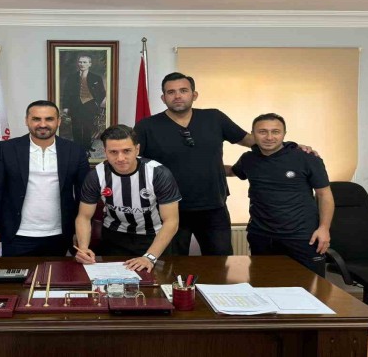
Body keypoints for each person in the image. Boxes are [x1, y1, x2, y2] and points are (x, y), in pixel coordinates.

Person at [135, 72, 315, 256]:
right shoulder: (147, 126)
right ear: (163, 98)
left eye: (183, 90)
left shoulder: (214, 118)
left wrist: (290, 147)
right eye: (171, 92)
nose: (178, 96)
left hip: (213, 206)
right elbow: (134, 161)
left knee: (220, 261)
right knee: (171, 263)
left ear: (194, 95)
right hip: (168, 208)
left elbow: (249, 140)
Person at [0, 100, 90, 258]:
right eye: (36, 119)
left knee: (55, 274)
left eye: (49, 119)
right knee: (15, 275)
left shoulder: (75, 151)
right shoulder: (7, 149)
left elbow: (84, 195)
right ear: (26, 121)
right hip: (17, 235)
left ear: (58, 121)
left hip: (60, 235)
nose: (43, 124)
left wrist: (80, 231)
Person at [226, 113, 334, 276]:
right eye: (262, 132)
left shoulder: (306, 158)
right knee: (263, 284)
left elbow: (324, 195)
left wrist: (324, 228)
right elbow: (232, 171)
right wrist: (201, 165)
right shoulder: (248, 159)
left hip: (302, 236)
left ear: (284, 134)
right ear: (253, 134)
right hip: (261, 236)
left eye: (275, 132)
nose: (269, 137)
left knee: (310, 286)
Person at [74, 125, 180, 272]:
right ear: (105, 151)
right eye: (113, 152)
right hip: (113, 238)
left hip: (153, 238)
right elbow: (84, 217)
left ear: (137, 149)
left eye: (126, 151)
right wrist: (83, 248)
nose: (120, 158)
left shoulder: (158, 173)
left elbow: (171, 221)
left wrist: (149, 257)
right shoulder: (96, 175)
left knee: (155, 283)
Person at [61, 55, 106, 154]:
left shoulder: (96, 77)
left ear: (90, 64)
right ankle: (77, 147)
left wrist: (96, 102)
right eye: (80, 62)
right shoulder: (71, 77)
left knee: (88, 127)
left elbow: (102, 92)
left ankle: (87, 147)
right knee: (76, 127)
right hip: (75, 106)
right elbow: (66, 93)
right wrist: (66, 107)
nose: (82, 64)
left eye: (85, 62)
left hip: (90, 105)